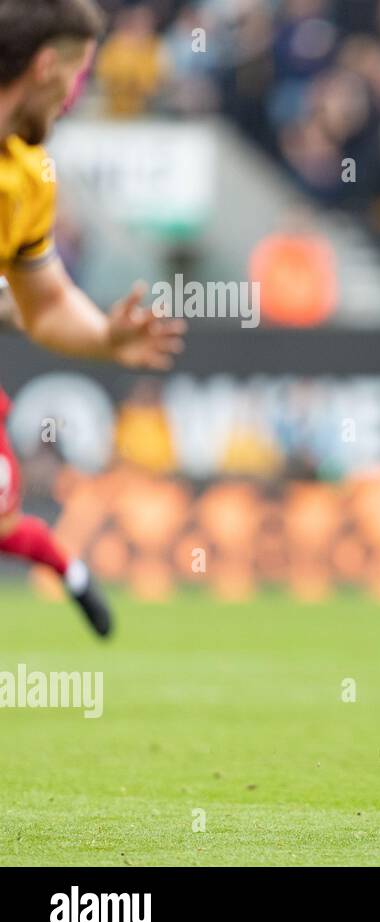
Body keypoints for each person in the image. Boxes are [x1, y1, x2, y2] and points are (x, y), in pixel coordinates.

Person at [0, 0, 186, 638]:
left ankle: (71, 576)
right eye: (79, 73)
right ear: (45, 65)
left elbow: (44, 302)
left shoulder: (28, 177)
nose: (77, 94)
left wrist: (105, 337)